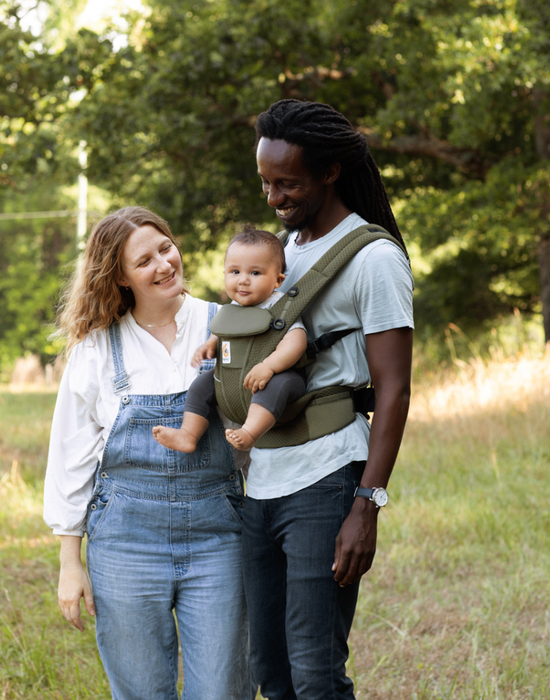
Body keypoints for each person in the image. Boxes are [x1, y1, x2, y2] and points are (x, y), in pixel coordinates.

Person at [43, 206, 253, 700]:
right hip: (125, 541)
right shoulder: (96, 349)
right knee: (140, 691)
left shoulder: (227, 324)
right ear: (119, 276)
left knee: (225, 688)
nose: (163, 265)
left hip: (219, 533)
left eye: (166, 248)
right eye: (144, 261)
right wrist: (70, 563)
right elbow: (70, 456)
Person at [242, 99, 414, 700]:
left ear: (331, 172)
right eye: (265, 182)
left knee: (315, 671)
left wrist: (366, 504)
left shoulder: (374, 259)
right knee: (269, 668)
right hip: (262, 477)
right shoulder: (279, 255)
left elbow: (394, 390)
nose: (273, 198)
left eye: (287, 183)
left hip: (328, 476)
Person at [152, 226, 307, 454]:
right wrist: (209, 345)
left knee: (274, 387)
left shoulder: (280, 307)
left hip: (281, 378)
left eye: (255, 273)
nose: (243, 280)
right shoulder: (232, 309)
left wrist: (269, 366)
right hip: (235, 378)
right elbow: (224, 330)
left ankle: (250, 433)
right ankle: (188, 434)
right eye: (235, 272)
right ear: (224, 274)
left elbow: (297, 341)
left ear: (277, 280)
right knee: (202, 385)